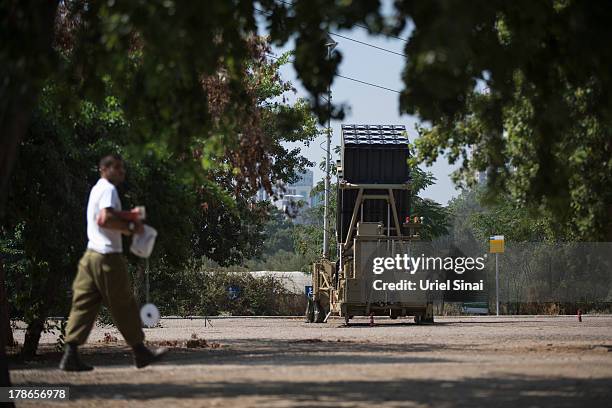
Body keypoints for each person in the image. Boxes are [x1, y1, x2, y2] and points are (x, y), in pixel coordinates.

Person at [59, 154, 167, 371]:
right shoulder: (109, 189)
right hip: (107, 257)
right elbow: (105, 219)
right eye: (117, 168)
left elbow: (105, 215)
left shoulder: (97, 189)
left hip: (90, 256)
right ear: (104, 169)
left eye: (122, 168)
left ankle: (70, 354)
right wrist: (130, 228)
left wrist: (129, 215)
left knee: (83, 304)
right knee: (124, 304)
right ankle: (140, 352)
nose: (122, 172)